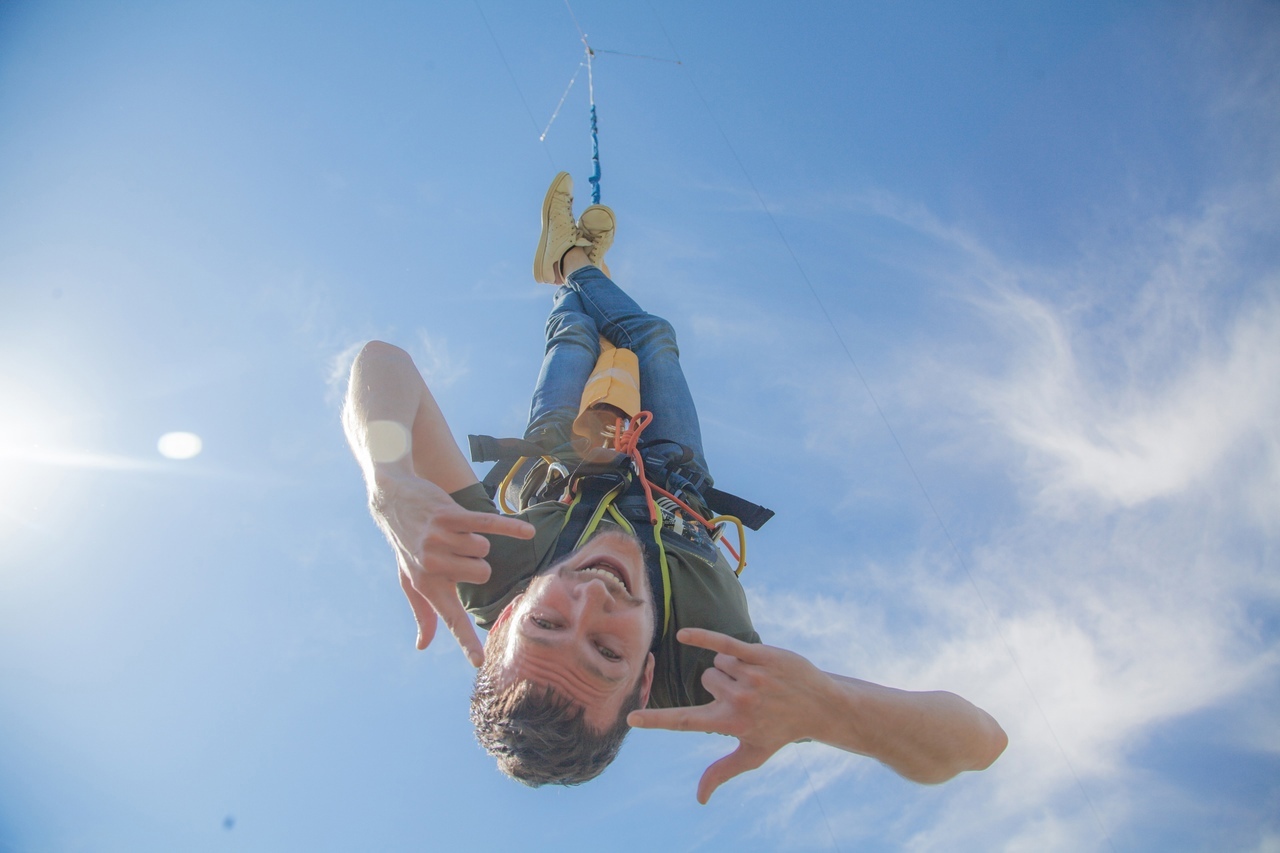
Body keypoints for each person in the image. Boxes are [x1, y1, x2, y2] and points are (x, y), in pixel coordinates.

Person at [342, 173, 1007, 801]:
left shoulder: (489, 570)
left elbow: (383, 364)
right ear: (648, 678)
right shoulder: (707, 667)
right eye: (606, 651)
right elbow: (980, 741)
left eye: (546, 622)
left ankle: (572, 265)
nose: (591, 602)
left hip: (564, 454)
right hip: (671, 477)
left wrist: (389, 483)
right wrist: (831, 708)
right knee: (650, 336)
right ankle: (572, 261)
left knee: (575, 331)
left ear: (513, 613)